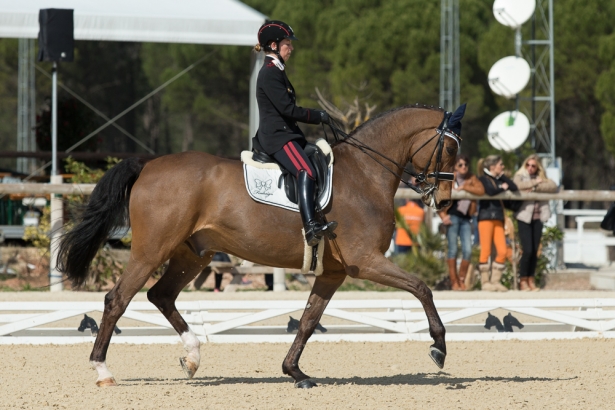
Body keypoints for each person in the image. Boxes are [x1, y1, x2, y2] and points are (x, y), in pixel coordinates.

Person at [252, 21, 336, 246]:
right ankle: (310, 227)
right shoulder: (270, 73)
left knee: (318, 156)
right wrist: (316, 116)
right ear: (273, 45)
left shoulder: (278, 71)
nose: (291, 48)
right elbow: (287, 110)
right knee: (305, 170)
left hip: (288, 134)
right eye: (287, 44)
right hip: (278, 137)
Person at [437, 155, 485, 290]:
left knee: (468, 251)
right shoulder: (449, 178)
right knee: (452, 249)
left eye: (466, 165)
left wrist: (464, 188)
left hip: (466, 218)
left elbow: (481, 190)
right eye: (460, 165)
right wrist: (442, 216)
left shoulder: (471, 178)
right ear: (455, 167)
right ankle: (454, 281)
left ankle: (462, 279)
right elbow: (439, 198)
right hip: (452, 217)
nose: (464, 167)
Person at [513, 154, 557, 291]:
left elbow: (553, 186)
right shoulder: (520, 175)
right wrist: (534, 183)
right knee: (528, 250)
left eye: (533, 166)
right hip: (524, 217)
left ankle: (531, 279)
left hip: (538, 218)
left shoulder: (542, 178)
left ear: (537, 167)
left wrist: (535, 187)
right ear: (525, 165)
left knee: (535, 251)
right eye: (528, 165)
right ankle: (523, 280)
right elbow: (517, 185)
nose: (530, 168)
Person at [477, 155, 518, 291]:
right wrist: (502, 188)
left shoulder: (498, 179)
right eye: (500, 165)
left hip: (498, 217)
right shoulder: (482, 179)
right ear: (492, 166)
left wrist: (503, 178)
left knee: (502, 250)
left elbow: (513, 187)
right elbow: (490, 192)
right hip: (486, 217)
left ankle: (495, 281)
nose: (503, 167)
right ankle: (485, 282)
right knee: (486, 250)